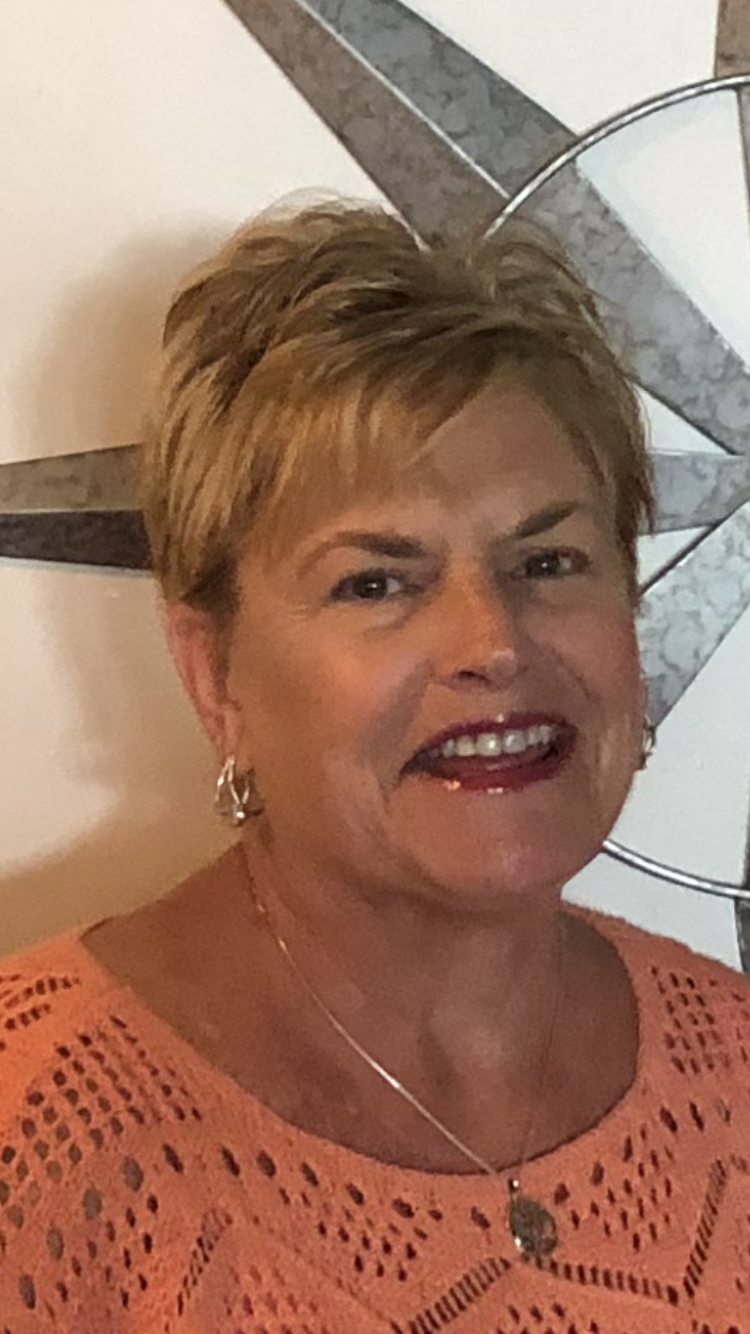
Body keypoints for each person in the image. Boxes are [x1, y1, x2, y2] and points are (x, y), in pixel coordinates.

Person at [1, 199, 749, 1334]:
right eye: (376, 582)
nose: (495, 642)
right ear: (215, 676)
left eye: (549, 560)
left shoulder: (734, 1065)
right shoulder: (35, 1137)